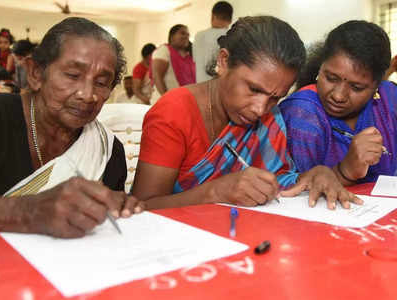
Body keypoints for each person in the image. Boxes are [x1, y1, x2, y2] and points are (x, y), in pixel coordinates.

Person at [133, 16, 362, 210]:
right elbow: (141, 207)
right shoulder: (175, 111)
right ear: (224, 62)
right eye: (253, 89)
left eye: (275, 97)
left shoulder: (269, 119)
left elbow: (277, 183)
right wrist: (215, 192)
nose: (260, 109)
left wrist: (315, 175)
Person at [0, 17, 143, 238]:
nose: (88, 94)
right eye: (73, 75)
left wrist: (117, 209)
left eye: (102, 82)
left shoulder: (107, 151)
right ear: (36, 73)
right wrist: (28, 211)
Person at [279, 20, 396, 185]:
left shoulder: (389, 98)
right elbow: (296, 192)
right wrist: (346, 170)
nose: (338, 96)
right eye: (331, 78)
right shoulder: (303, 114)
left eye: (356, 87)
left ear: (377, 85)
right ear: (320, 67)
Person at [150, 24, 195, 104]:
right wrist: (167, 99)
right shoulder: (163, 50)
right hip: (165, 102)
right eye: (182, 33)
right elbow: (157, 77)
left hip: (182, 102)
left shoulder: (189, 55)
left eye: (188, 35)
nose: (186, 37)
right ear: (172, 36)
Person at [193, 1, 233, 83]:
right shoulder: (232, 36)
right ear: (230, 20)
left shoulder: (198, 36)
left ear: (212, 16)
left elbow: (195, 61)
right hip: (223, 89)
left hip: (201, 88)